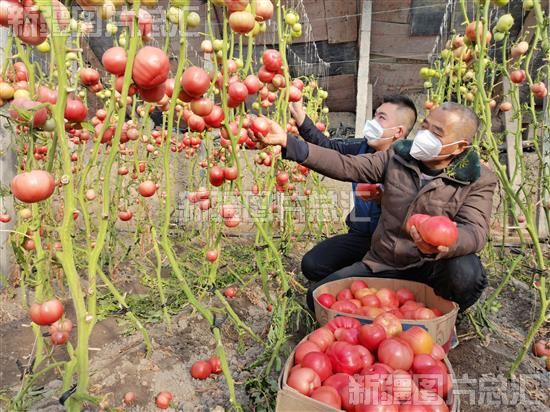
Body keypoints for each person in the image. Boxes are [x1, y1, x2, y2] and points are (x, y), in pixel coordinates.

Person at [260, 102, 496, 312]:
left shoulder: (478, 179)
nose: (425, 135)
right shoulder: (398, 156)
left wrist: (443, 244)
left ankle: (448, 316)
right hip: (385, 261)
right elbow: (347, 165)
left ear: (459, 147)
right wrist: (289, 143)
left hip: (431, 268)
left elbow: (475, 230)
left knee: (465, 271)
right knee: (317, 299)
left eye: (436, 133)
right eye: (425, 127)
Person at [291, 96, 417, 283]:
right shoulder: (361, 148)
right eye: (375, 116)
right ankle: (356, 274)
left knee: (392, 278)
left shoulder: (412, 163)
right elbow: (328, 147)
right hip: (360, 236)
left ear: (398, 131)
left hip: (394, 243)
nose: (373, 122)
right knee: (313, 264)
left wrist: (384, 199)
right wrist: (301, 118)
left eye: (381, 118)